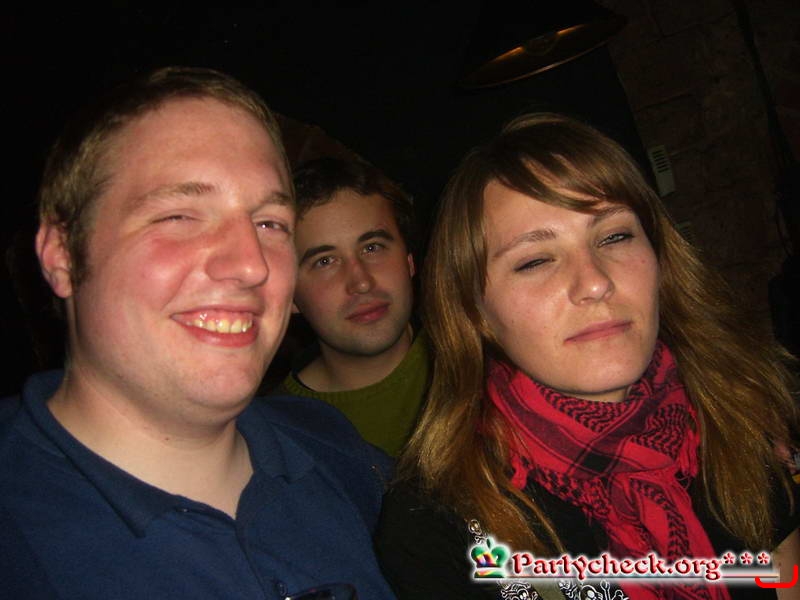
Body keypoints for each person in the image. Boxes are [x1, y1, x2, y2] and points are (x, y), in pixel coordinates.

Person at [0, 67, 396, 600]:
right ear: (63, 256)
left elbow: (496, 569)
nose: (252, 264)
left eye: (270, 224)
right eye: (180, 215)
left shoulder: (333, 447)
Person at [374, 113, 800, 600]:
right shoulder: (434, 528)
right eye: (535, 260)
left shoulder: (735, 417)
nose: (595, 282)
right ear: (475, 310)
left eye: (614, 236)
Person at [270, 157, 429, 456]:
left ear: (409, 261)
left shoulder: (484, 368)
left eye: (372, 247)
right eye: (325, 262)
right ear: (289, 296)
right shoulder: (275, 439)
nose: (361, 282)